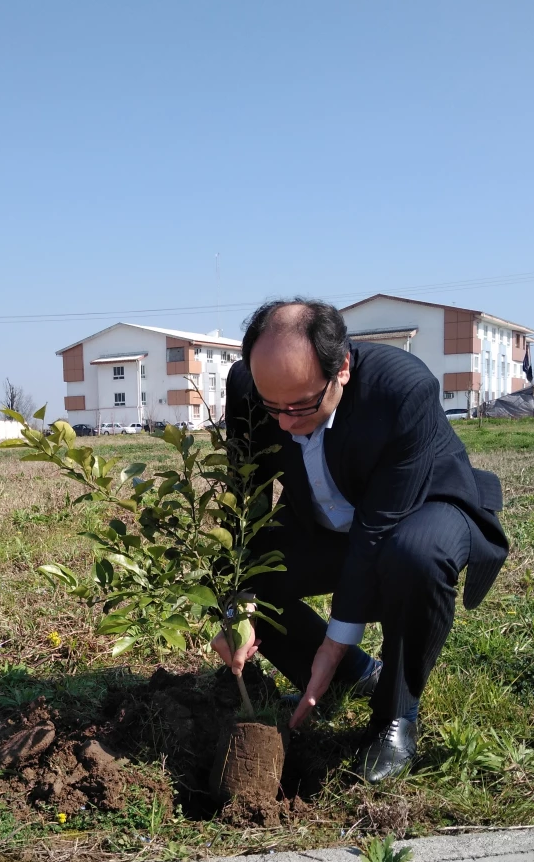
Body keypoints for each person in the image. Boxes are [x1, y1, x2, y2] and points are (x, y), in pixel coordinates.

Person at [211, 299, 509, 782]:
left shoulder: (401, 388)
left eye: (301, 406)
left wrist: (335, 639)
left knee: (415, 556)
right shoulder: (248, 385)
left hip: (420, 506)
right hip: (326, 519)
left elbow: (378, 528)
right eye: (273, 407)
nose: (285, 422)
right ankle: (348, 675)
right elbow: (246, 498)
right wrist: (236, 604)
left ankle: (395, 713)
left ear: (342, 368)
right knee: (251, 574)